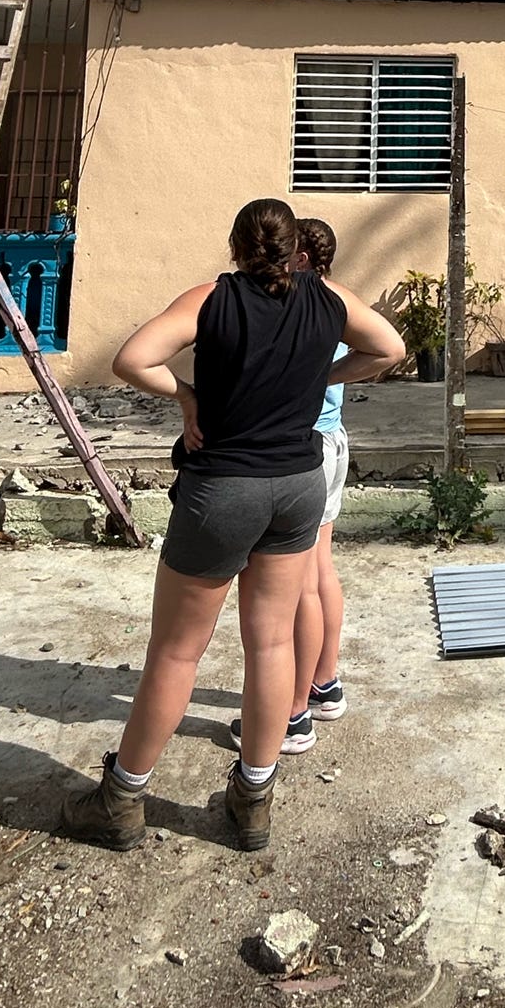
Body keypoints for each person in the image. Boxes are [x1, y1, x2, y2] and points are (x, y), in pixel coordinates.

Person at [58, 198, 404, 854]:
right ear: (294, 248)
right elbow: (390, 346)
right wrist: (324, 375)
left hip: (224, 490)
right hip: (298, 488)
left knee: (177, 650)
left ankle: (121, 798)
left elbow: (133, 359)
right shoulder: (326, 298)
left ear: (236, 246)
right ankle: (251, 801)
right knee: (272, 646)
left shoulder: (211, 297)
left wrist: (186, 394)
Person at [280, 218, 350, 754]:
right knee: (322, 569)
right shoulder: (336, 302)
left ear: (302, 258)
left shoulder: (305, 304)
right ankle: (325, 683)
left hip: (310, 446)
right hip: (333, 438)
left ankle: (293, 713)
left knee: (302, 581)